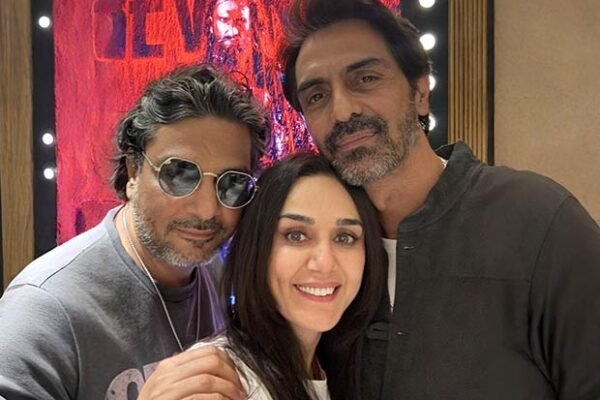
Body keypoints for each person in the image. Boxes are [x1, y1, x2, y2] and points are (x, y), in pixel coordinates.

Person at [278, 0, 600, 399]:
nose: (342, 111)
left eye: (366, 78)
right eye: (316, 96)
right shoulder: (310, 262)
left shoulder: (537, 222)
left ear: (420, 92)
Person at [0, 64, 268, 400]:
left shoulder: (211, 269)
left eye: (231, 184)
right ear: (132, 172)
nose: (206, 211)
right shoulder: (44, 307)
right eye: (180, 175)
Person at [191, 152, 386, 400]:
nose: (324, 263)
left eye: (344, 237)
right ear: (256, 247)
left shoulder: (333, 368)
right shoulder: (217, 381)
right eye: (296, 235)